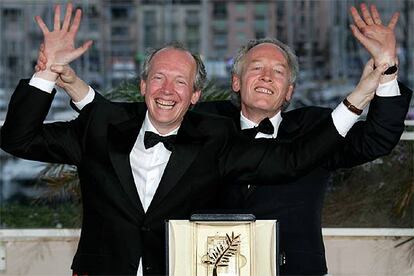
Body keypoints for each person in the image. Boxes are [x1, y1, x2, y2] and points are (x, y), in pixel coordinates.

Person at [24, 3, 404, 276]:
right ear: (235, 83)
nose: (267, 77)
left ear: (289, 91)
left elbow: (379, 139)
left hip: (292, 269)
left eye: (278, 72)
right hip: (196, 267)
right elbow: (136, 114)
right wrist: (70, 83)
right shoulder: (200, 121)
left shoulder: (319, 129)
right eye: (256, 68)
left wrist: (385, 71)